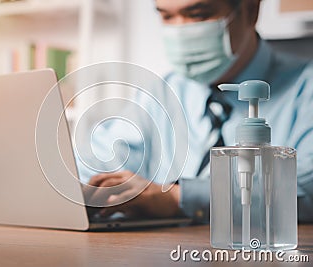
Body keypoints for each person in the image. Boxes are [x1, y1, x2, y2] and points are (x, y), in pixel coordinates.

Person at [76, 0, 313, 223]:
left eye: (199, 14)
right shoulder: (163, 91)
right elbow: (97, 161)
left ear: (251, 11)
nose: (180, 32)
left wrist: (177, 199)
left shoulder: (305, 89)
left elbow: (304, 188)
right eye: (167, 16)